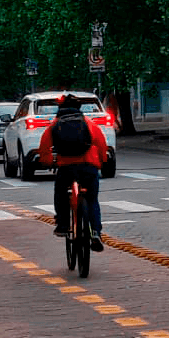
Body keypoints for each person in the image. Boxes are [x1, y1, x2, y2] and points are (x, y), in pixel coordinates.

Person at [41, 94, 108, 252]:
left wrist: (49, 161)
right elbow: (101, 143)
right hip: (88, 165)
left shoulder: (54, 125)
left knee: (61, 193)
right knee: (92, 200)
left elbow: (44, 147)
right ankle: (96, 232)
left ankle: (63, 225)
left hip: (66, 167)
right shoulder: (88, 123)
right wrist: (102, 161)